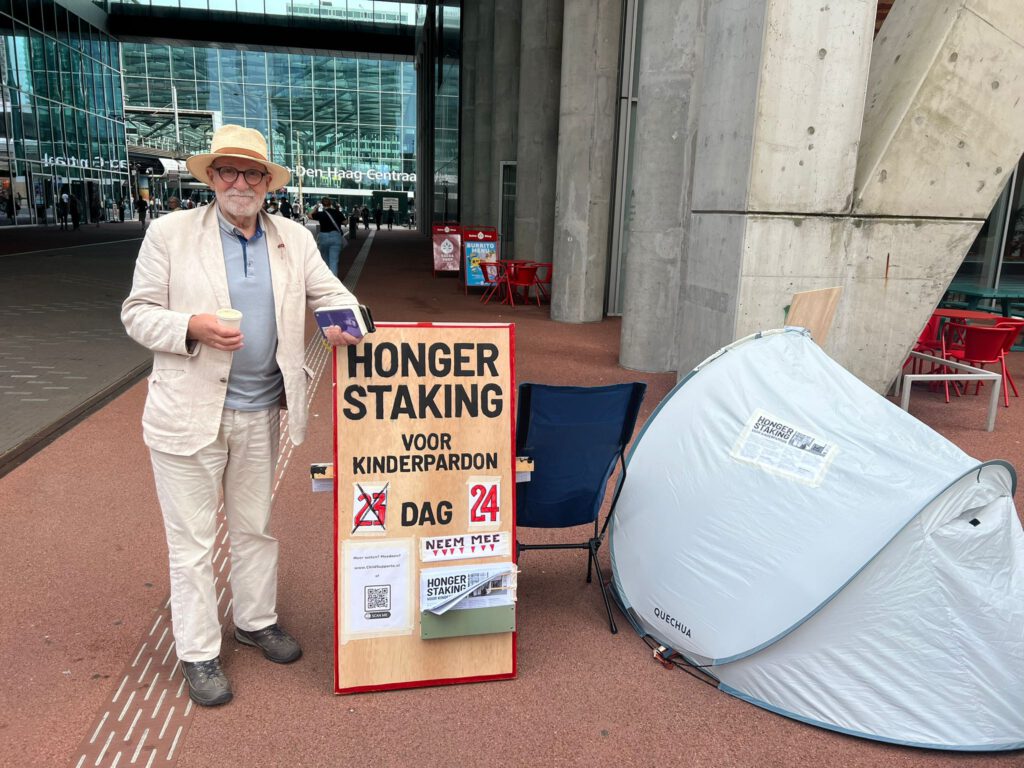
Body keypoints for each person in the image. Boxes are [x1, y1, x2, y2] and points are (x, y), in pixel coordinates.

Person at [121, 124, 364, 708]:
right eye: (228, 171)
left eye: (253, 173)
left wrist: (351, 323)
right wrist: (190, 327)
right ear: (210, 177)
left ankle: (256, 622)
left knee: (255, 529)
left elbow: (332, 295)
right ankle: (199, 653)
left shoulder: (294, 239)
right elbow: (137, 314)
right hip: (188, 415)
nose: (241, 182)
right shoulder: (170, 233)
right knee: (193, 543)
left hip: (262, 411)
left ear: (267, 183)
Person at [309, 196, 346, 277]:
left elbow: (310, 215)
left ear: (322, 204)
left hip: (323, 237)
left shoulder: (321, 214)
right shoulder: (337, 212)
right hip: (335, 237)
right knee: (334, 261)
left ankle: (326, 279)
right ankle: (333, 281)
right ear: (330, 203)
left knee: (325, 260)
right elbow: (346, 222)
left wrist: (316, 207)